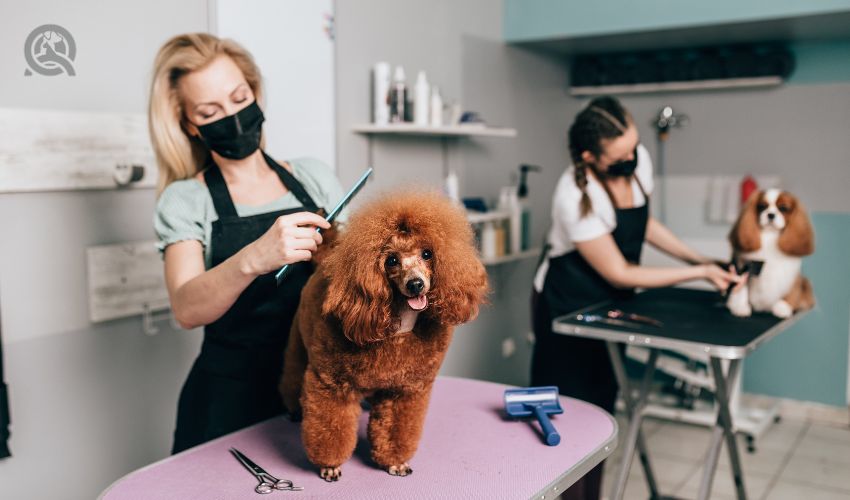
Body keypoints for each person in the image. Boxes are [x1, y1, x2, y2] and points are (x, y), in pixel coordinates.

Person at [530, 96, 742, 500]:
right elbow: (620, 271)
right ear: (590, 156)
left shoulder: (636, 159)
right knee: (564, 417)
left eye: (634, 146)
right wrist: (699, 273)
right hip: (564, 307)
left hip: (608, 304)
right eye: (621, 154)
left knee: (601, 409)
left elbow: (645, 223)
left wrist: (700, 258)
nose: (632, 157)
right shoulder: (573, 195)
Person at [148, 33, 346, 454]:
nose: (233, 117)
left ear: (255, 93)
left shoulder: (314, 177)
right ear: (189, 124)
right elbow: (186, 309)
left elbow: (351, 275)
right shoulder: (185, 200)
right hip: (228, 400)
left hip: (316, 384)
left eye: (239, 98)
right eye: (209, 111)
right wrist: (254, 257)